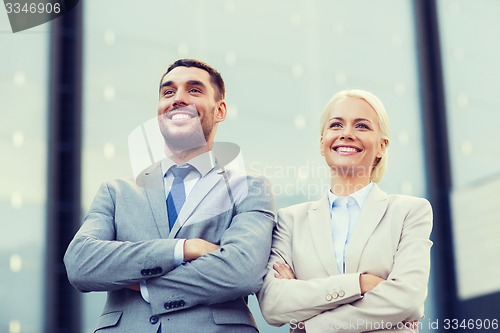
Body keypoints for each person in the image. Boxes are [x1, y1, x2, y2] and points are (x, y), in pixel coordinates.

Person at [64, 59, 275, 332]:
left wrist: (143, 283)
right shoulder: (116, 192)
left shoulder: (251, 188)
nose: (178, 99)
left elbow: (240, 272)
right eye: (168, 92)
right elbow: (81, 263)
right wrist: (183, 249)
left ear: (220, 110)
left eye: (194, 90)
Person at [257, 89, 433, 332]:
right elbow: (273, 305)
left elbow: (408, 300)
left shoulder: (409, 212)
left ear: (382, 146)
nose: (347, 134)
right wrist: (360, 284)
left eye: (361, 126)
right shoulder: (291, 220)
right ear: (322, 142)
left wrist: (311, 325)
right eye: (336, 125)